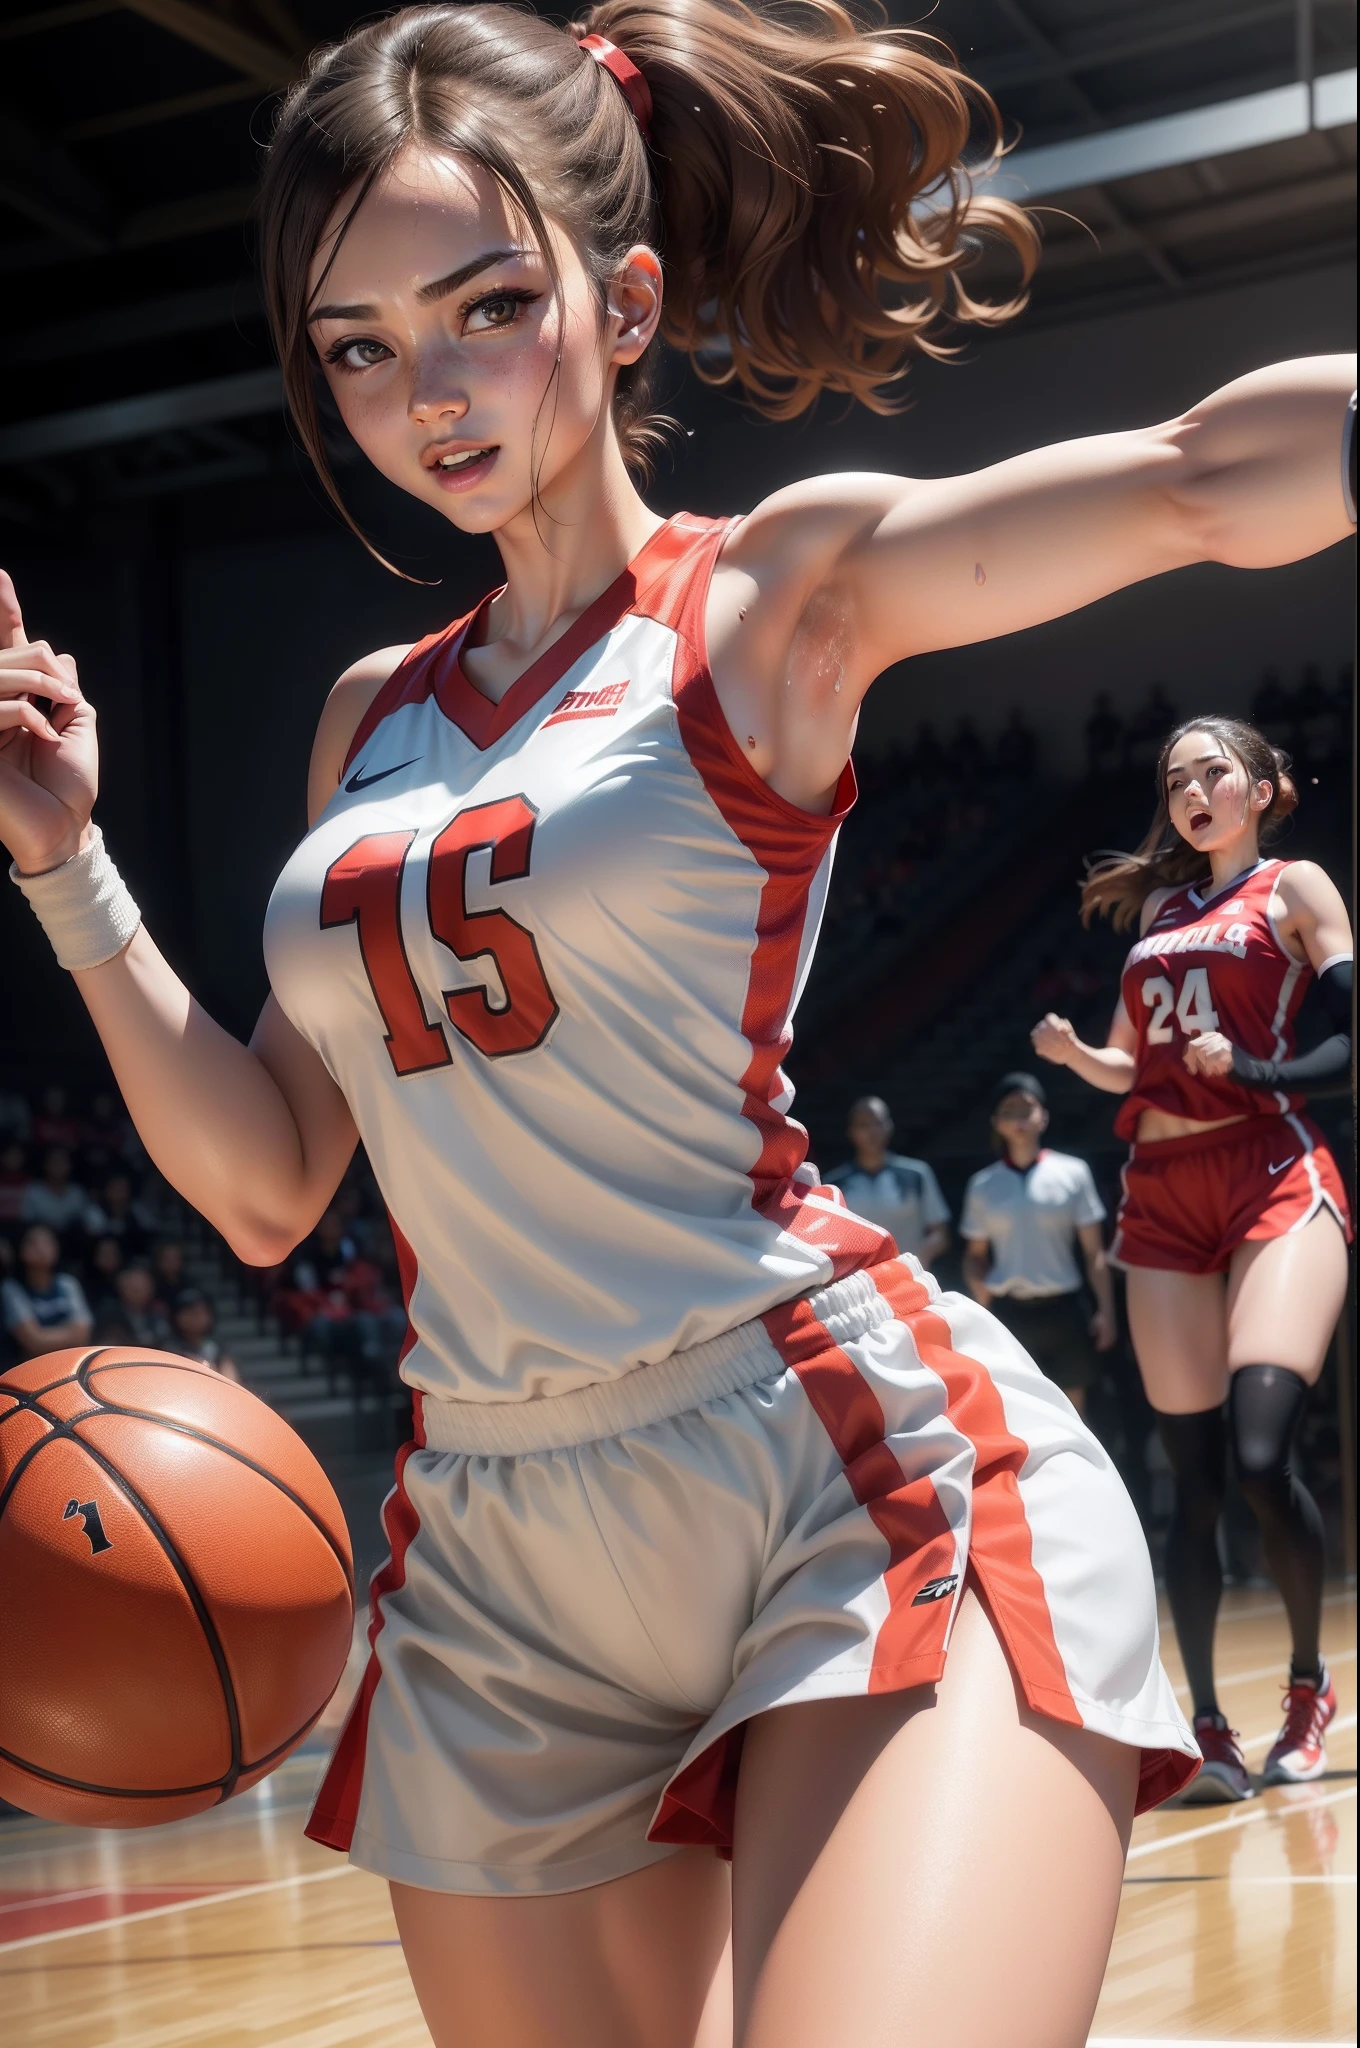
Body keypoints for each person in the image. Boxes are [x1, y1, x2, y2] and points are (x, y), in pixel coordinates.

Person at [2, 1, 1354, 2035]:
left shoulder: (761, 597)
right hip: (491, 1550)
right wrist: (64, 870)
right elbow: (275, 1183)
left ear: (621, 302)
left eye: (478, 308)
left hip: (823, 1459)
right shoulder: (367, 717)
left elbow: (1178, 483)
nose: (421, 393)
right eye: (356, 347)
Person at [1033, 715, 1352, 1808]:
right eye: (1174, 779)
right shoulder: (1164, 912)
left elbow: (1348, 1040)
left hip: (1270, 1169)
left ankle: (1308, 1686)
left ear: (1262, 787)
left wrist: (1257, 1066)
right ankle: (1206, 1725)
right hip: (1163, 1195)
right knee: (1193, 1480)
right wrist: (1084, 1058)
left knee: (1262, 1453)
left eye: (1212, 770)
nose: (1191, 790)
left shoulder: (1294, 887)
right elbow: (1136, 1066)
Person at [960, 1074, 1116, 1418]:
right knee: (1017, 1410)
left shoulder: (1073, 1173)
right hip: (1010, 1312)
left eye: (1026, 1107)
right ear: (996, 1122)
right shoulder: (984, 1185)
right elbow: (975, 1256)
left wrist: (1107, 1311)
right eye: (1008, 1109)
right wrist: (982, 1302)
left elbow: (1095, 1253)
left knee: (1074, 1412)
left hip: (1066, 1311)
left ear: (1043, 1115)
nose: (1018, 1117)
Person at [824, 1095, 950, 1269]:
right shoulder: (834, 1185)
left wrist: (919, 1258)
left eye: (878, 1123)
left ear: (889, 1126)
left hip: (912, 1278)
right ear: (851, 1132)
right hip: (859, 1285)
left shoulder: (917, 1174)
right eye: (864, 1125)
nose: (872, 1131)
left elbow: (940, 1234)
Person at [2, 1222, 92, 1361]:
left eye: (47, 1242)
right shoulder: (11, 1288)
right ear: (20, 1248)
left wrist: (44, 1335)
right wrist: (69, 1333)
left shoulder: (67, 1283)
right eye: (33, 1242)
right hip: (28, 1367)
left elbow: (83, 1334)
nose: (41, 1248)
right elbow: (33, 1341)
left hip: (71, 1362)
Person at [166, 1286, 241, 1382]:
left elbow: (231, 1380)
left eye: (203, 1312)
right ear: (179, 1317)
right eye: (193, 1313)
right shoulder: (169, 1349)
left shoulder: (217, 1348)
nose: (199, 1317)